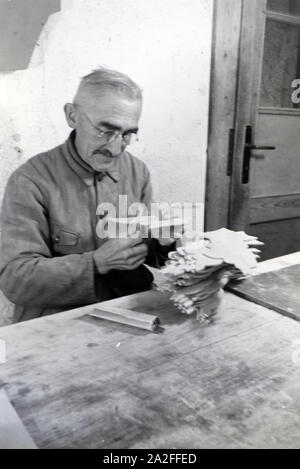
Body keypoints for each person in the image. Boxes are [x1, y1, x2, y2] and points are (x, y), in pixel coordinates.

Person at [0, 67, 175, 322]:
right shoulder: (30, 181)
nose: (116, 148)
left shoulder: (138, 171)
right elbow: (16, 280)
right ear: (72, 116)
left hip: (130, 309)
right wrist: (95, 263)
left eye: (128, 134)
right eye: (105, 130)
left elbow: (147, 252)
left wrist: (164, 244)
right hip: (59, 319)